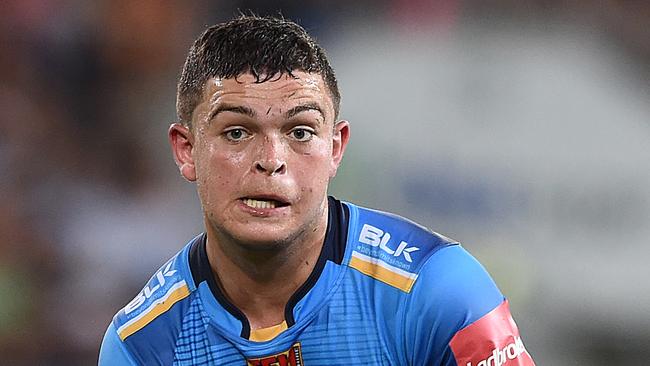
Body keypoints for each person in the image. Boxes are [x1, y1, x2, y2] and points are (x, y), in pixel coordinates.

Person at [99, 15, 536, 365]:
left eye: (301, 132)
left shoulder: (435, 289)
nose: (271, 159)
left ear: (335, 148)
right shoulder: (142, 345)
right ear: (187, 150)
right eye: (236, 132)